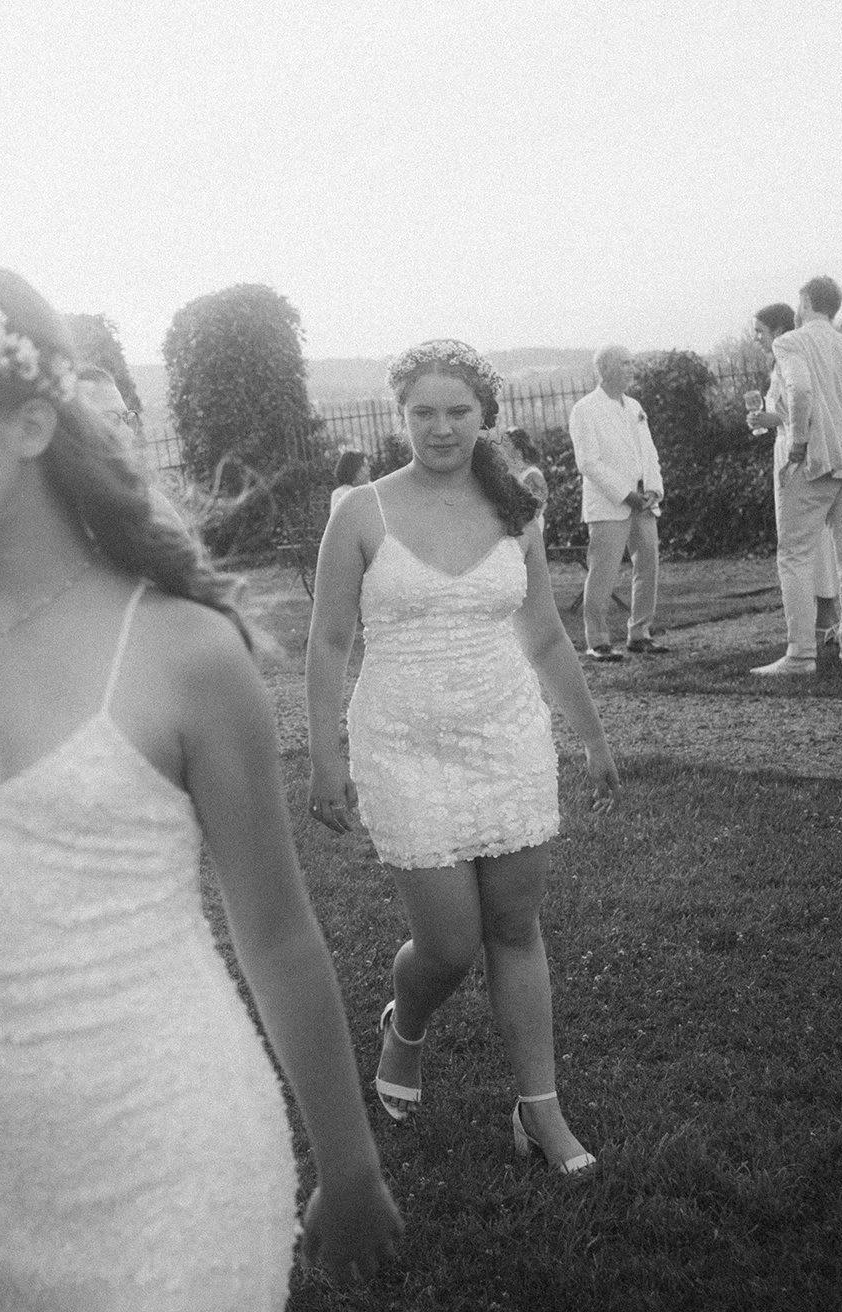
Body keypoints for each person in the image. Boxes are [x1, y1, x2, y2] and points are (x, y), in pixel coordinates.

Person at [0, 267, 402, 1312]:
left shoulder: (182, 651)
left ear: (27, 423)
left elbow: (277, 934)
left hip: (182, 1138)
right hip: (12, 1158)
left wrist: (349, 1163)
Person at [305, 341, 619, 1178]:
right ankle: (402, 1027)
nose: (440, 428)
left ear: (485, 416)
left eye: (457, 412)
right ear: (399, 416)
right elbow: (329, 640)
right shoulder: (361, 512)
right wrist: (324, 758)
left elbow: (545, 633)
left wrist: (588, 737)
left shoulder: (515, 507)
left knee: (514, 927)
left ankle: (538, 1110)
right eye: (422, 413)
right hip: (403, 741)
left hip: (504, 733)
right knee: (446, 944)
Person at [752, 276, 842, 676]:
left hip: (814, 462)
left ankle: (801, 653)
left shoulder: (790, 342)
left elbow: (800, 391)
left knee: (793, 554)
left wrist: (797, 445)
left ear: (806, 302)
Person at [746, 305, 842, 647]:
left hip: (797, 454)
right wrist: (763, 422)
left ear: (776, 330)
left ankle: (825, 618)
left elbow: (803, 404)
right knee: (809, 538)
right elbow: (783, 411)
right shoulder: (780, 360)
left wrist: (774, 421)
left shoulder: (789, 352)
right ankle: (826, 616)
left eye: (759, 331)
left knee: (806, 539)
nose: (756, 338)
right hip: (785, 448)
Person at [569, 346, 667, 659]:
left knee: (648, 565)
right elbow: (588, 462)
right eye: (625, 363)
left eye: (632, 362)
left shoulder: (634, 405)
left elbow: (648, 451)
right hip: (610, 502)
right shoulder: (585, 409)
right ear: (607, 369)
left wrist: (653, 489)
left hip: (644, 500)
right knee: (603, 571)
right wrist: (627, 495)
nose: (632, 368)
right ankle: (597, 641)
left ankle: (640, 632)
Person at [501, 427, 549, 502]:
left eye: (506, 445)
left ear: (517, 449)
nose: (503, 448)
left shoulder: (532, 473)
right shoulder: (514, 471)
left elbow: (540, 501)